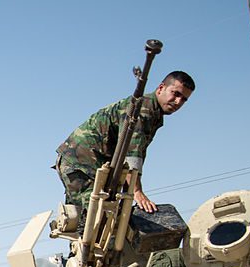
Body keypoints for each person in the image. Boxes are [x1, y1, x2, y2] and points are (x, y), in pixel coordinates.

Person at [54, 71, 195, 217]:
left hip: (92, 164)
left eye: (184, 99)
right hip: (82, 163)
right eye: (175, 94)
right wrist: (136, 192)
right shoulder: (143, 109)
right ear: (161, 88)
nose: (178, 102)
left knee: (94, 219)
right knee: (97, 218)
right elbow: (131, 153)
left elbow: (134, 154)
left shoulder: (153, 112)